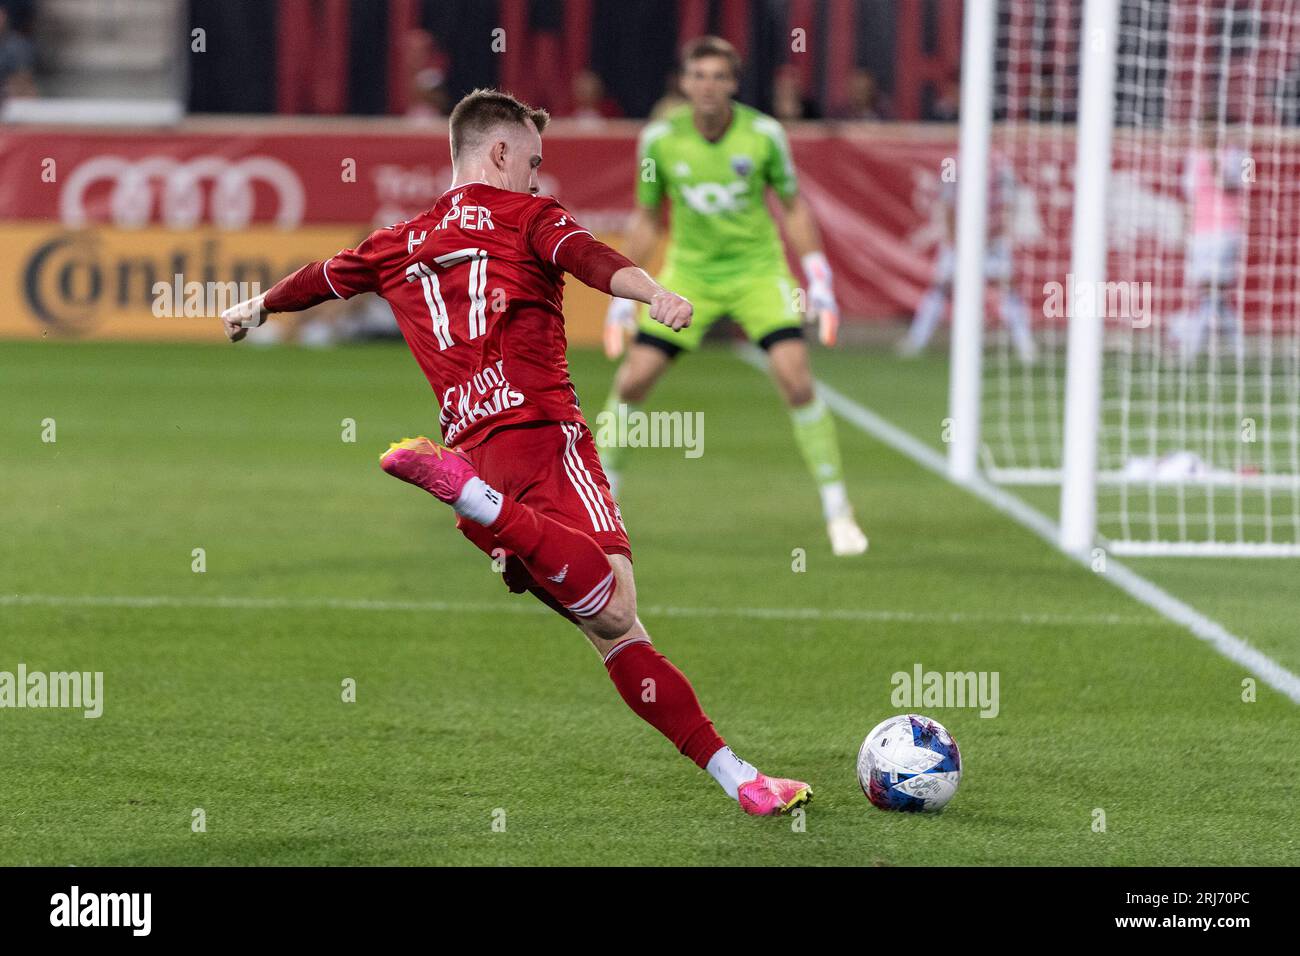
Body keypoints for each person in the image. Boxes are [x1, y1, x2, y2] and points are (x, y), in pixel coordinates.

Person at [218, 88, 812, 818]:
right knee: (619, 605)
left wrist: (259, 305)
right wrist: (652, 290)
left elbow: (324, 277)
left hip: (473, 445)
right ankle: (473, 498)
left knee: (615, 633)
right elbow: (590, 258)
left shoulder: (401, 239)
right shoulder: (530, 215)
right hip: (542, 438)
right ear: (499, 152)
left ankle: (740, 778)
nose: (538, 174)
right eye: (533, 159)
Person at [600, 36, 868, 557]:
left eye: (718, 76)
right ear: (684, 82)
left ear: (733, 84)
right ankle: (603, 500)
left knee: (796, 381)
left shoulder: (764, 135)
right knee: (632, 381)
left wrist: (819, 276)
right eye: (697, 75)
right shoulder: (660, 140)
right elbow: (648, 217)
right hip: (689, 275)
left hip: (756, 274)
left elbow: (792, 206)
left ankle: (838, 511)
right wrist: (621, 293)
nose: (707, 86)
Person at [899, 157, 1036, 363]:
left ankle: (1025, 344)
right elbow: (946, 204)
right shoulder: (952, 164)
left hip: (992, 242)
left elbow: (1008, 207)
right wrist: (957, 241)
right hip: (959, 243)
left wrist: (993, 236)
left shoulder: (1001, 166)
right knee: (940, 288)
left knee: (1008, 288)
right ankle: (916, 340)